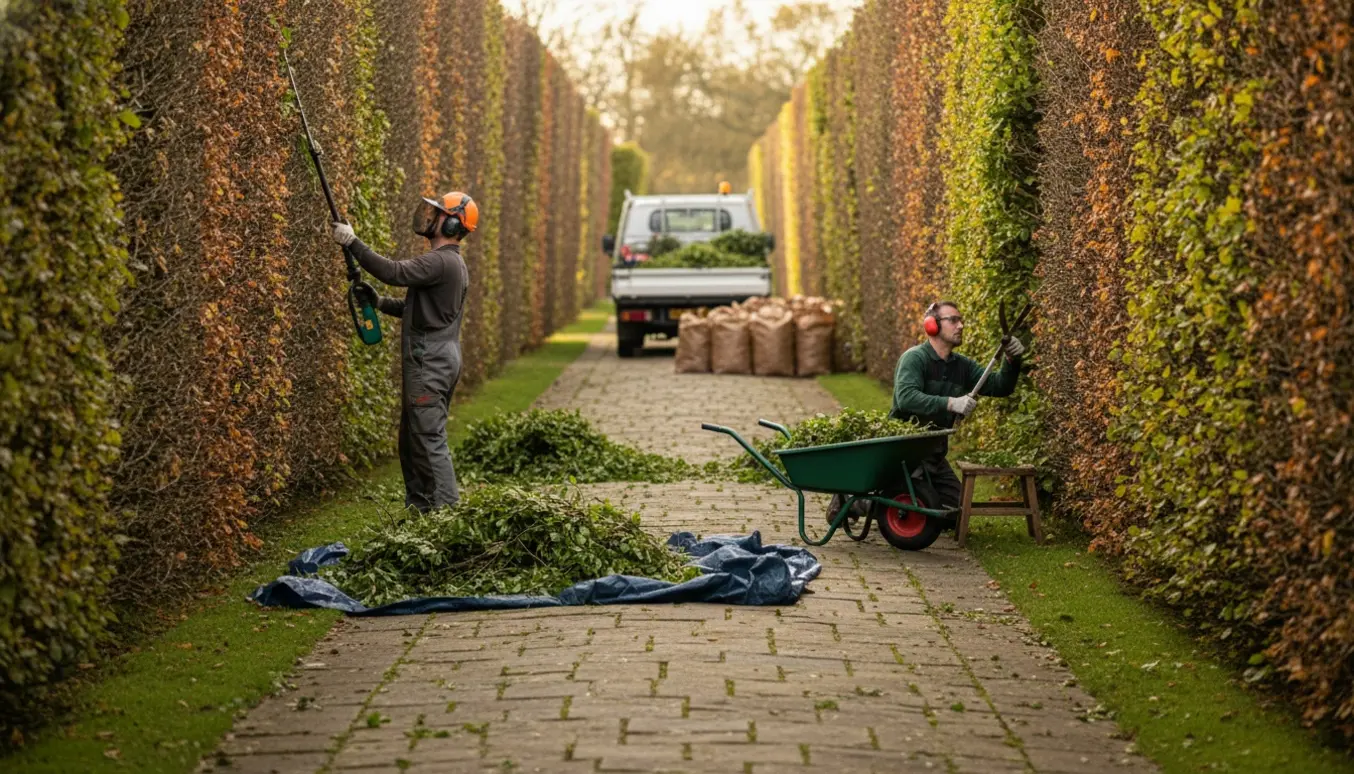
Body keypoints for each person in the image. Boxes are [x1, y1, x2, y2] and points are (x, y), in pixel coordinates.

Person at [331, 192, 478, 512]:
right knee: (412, 440)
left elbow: (394, 273)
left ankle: (447, 515)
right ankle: (422, 509)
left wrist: (352, 242)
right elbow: (418, 309)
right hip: (436, 355)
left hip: (431, 361)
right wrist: (379, 304)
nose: (430, 216)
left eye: (438, 214)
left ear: (453, 224)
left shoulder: (441, 261)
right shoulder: (449, 263)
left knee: (428, 438)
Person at [888, 300, 1025, 509]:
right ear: (931, 325)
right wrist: (951, 403)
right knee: (907, 503)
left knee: (960, 510)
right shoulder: (915, 358)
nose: (960, 325)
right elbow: (907, 398)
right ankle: (855, 503)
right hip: (904, 451)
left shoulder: (962, 366)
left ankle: (926, 496)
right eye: (953, 320)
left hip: (933, 454)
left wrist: (1011, 360)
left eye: (961, 320)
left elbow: (1000, 387)